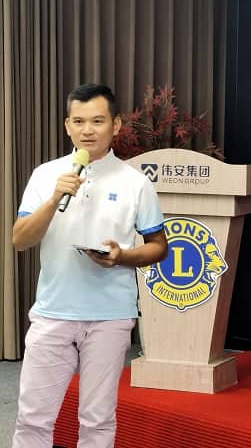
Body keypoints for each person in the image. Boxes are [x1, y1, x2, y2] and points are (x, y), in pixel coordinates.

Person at [12, 83, 168, 448]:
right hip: (52, 314)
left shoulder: (136, 183)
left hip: (110, 317)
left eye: (97, 121)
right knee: (32, 418)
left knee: (97, 420)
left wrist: (122, 256)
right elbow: (20, 239)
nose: (87, 130)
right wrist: (55, 197)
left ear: (116, 125)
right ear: (67, 126)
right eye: (79, 121)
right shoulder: (46, 174)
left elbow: (159, 247)